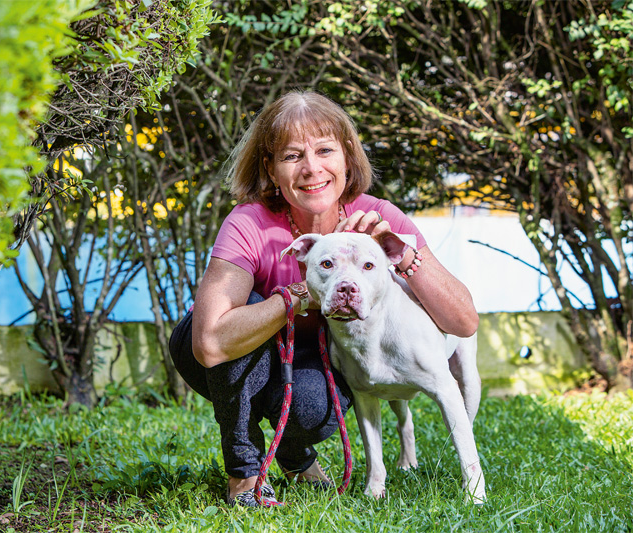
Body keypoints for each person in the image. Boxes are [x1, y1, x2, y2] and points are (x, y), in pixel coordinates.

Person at [168, 91, 479, 507]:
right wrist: (301, 293)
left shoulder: (378, 217)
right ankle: (243, 473)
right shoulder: (249, 223)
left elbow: (463, 323)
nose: (311, 168)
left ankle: (295, 453)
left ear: (347, 159)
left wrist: (400, 253)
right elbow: (209, 344)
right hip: (229, 353)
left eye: (325, 150)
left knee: (315, 408)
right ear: (271, 169)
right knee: (242, 340)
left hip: (309, 355)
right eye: (292, 156)